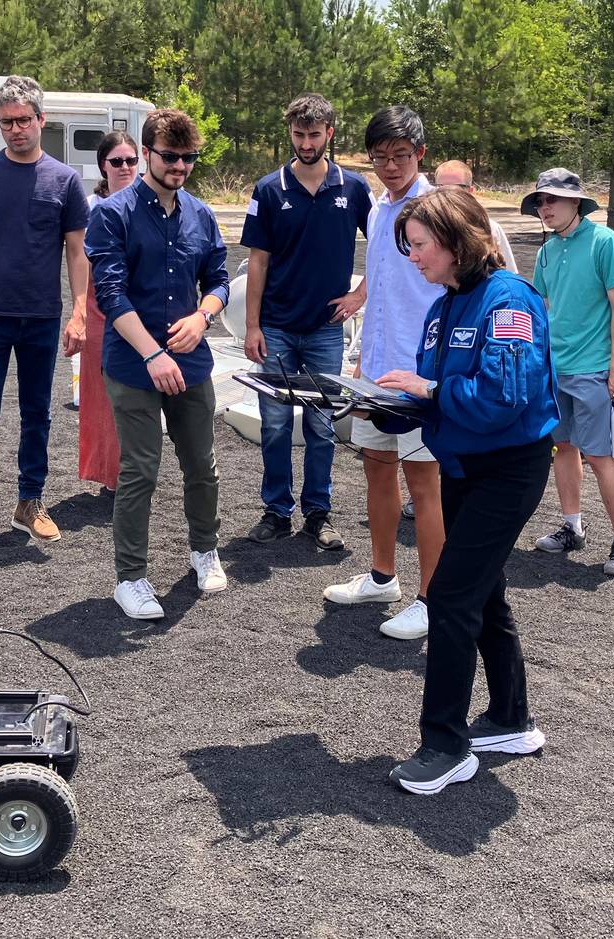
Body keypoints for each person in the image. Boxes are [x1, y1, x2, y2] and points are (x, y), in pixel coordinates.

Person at [373, 187, 560, 795]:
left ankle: (446, 743)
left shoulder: (510, 301)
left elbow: (503, 400)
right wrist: (373, 404)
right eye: (408, 246)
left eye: (421, 245)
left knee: (450, 596)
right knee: (483, 592)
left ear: (456, 241)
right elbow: (436, 396)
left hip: (509, 468)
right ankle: (510, 718)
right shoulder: (444, 305)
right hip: (463, 466)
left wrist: (426, 395)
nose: (413, 258)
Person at [85, 108, 229, 620]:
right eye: (171, 156)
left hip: (190, 361)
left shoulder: (201, 213)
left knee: (202, 467)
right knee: (140, 471)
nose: (181, 166)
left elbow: (218, 280)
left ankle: (204, 550)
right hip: (132, 364)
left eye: (189, 158)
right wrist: (152, 352)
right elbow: (110, 293)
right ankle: (130, 577)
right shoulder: (112, 213)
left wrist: (203, 317)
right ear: (147, 153)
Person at [0, 76, 89, 558]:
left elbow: (76, 251)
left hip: (40, 317)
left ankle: (30, 503)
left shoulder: (64, 180)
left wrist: (80, 311)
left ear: (41, 121)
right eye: (7, 122)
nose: (16, 130)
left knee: (37, 415)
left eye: (24, 120)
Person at [323, 106, 445, 641]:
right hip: (375, 365)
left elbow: (486, 278)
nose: (390, 166)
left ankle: (431, 597)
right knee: (375, 463)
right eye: (379, 157)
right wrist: (358, 297)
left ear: (420, 154)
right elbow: (384, 271)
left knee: (424, 483)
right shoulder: (376, 208)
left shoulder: (441, 211)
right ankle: (382, 576)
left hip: (420, 369)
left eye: (400, 155)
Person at [240, 93, 374, 550]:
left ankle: (318, 512)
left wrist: (360, 294)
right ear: (290, 134)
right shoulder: (269, 189)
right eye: (299, 134)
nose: (306, 142)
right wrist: (253, 326)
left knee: (321, 425)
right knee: (274, 424)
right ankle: (277, 511)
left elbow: (390, 244)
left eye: (315, 134)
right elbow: (257, 260)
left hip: (325, 329)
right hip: (276, 326)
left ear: (330, 134)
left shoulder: (354, 188)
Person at [522, 168, 614, 576]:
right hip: (556, 370)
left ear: (576, 202)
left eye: (553, 199)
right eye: (540, 200)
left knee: (600, 454)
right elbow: (541, 309)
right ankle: (572, 526)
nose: (545, 207)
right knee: (564, 450)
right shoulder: (546, 251)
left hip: (593, 370)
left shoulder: (605, 241)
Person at [78, 131, 139, 492]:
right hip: (100, 308)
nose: (124, 167)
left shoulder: (148, 202)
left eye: (131, 160)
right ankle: (111, 474)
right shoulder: (90, 206)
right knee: (102, 396)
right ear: (103, 165)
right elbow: (80, 262)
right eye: (116, 161)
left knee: (139, 394)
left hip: (141, 308)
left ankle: (135, 468)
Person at [433, 160, 518, 273]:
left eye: (457, 188)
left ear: (471, 191)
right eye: (442, 188)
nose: (449, 194)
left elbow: (509, 274)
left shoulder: (490, 228)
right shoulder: (425, 228)